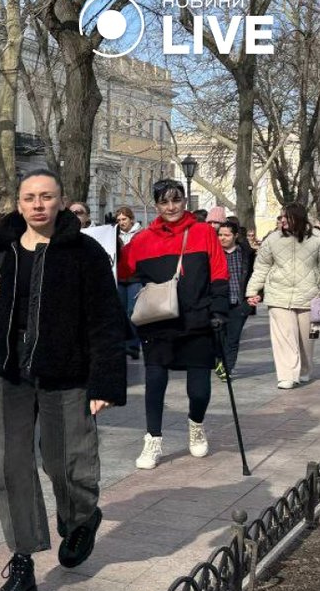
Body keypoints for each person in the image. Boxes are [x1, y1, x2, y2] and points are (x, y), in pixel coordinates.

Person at [0, 169, 126, 591]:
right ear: (19, 201)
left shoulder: (83, 252)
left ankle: (81, 516)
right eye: (29, 197)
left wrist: (104, 381)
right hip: (8, 372)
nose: (37, 205)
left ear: (60, 200)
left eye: (46, 196)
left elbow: (107, 321)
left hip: (65, 373)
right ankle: (22, 561)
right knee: (12, 466)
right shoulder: (0, 246)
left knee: (67, 462)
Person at [119, 179, 228, 470]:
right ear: (156, 205)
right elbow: (122, 270)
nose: (171, 207)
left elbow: (219, 271)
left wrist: (219, 309)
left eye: (176, 200)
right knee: (154, 384)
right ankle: (153, 439)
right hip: (158, 322)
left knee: (200, 391)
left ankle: (196, 424)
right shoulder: (141, 241)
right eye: (164, 202)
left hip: (197, 319)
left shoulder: (203, 232)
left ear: (184, 201)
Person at [245, 203, 320, 389]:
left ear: (299, 218)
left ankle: (304, 369)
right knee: (284, 337)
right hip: (278, 295)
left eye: (286, 217)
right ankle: (287, 375)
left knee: (309, 339)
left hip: (311, 297)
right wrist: (252, 291)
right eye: (281, 217)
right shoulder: (272, 239)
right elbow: (261, 266)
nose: (282, 220)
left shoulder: (317, 239)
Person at [216, 221, 255, 380]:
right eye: (220, 235)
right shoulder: (213, 253)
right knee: (219, 337)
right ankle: (220, 361)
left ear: (235, 236)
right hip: (219, 302)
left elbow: (255, 276)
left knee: (233, 338)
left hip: (239, 303)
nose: (222, 238)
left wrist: (254, 296)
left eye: (227, 235)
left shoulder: (246, 254)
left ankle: (227, 368)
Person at [115, 206, 144, 360]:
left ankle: (133, 345)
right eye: (119, 220)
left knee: (132, 312)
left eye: (124, 219)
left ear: (131, 219)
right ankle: (124, 344)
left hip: (135, 278)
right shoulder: (114, 235)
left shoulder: (140, 234)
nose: (121, 222)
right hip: (120, 278)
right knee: (121, 312)